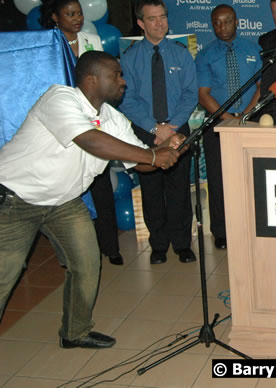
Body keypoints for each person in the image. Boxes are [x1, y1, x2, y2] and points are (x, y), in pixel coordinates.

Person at [0, 51, 184, 349]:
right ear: (91, 79)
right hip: (15, 201)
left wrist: (172, 152)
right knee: (3, 278)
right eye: (116, 75)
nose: (123, 81)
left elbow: (140, 163)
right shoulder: (60, 98)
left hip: (64, 203)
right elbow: (89, 139)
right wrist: (153, 154)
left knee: (86, 264)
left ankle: (75, 332)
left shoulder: (113, 118)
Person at [39, 0, 122, 265]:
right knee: (70, 189)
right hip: (63, 123)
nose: (77, 19)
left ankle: (111, 247)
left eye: (79, 13)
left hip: (93, 119)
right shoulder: (46, 46)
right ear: (55, 17)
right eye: (70, 14)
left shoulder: (92, 40)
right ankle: (74, 253)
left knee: (100, 183)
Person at [119, 0, 198, 265]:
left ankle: (183, 244)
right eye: (152, 18)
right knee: (151, 190)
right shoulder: (129, 57)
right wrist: (154, 128)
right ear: (141, 23)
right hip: (145, 132)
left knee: (179, 190)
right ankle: (159, 245)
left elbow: (190, 93)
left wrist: (172, 127)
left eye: (163, 16)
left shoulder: (180, 52)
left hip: (177, 129)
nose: (160, 23)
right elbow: (126, 99)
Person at [196, 4, 263, 250]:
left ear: (237, 22)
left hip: (250, 120)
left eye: (227, 21)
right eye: (217, 22)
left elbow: (261, 85)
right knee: (218, 178)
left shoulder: (254, 49)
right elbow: (203, 94)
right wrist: (227, 118)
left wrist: (244, 116)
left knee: (252, 177)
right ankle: (221, 231)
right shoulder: (204, 55)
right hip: (218, 123)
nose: (222, 27)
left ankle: (252, 226)